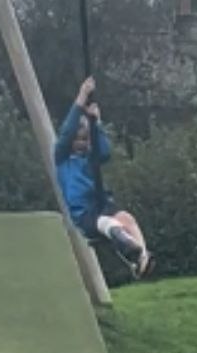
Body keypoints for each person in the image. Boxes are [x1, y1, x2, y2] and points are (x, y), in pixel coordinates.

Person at [54, 76, 154, 277]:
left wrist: (96, 123)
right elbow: (67, 132)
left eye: (86, 139)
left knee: (127, 219)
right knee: (112, 225)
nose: (82, 143)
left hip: (101, 202)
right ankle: (131, 251)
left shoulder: (90, 158)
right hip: (84, 213)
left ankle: (142, 259)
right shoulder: (63, 158)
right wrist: (82, 96)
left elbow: (105, 152)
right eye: (78, 139)